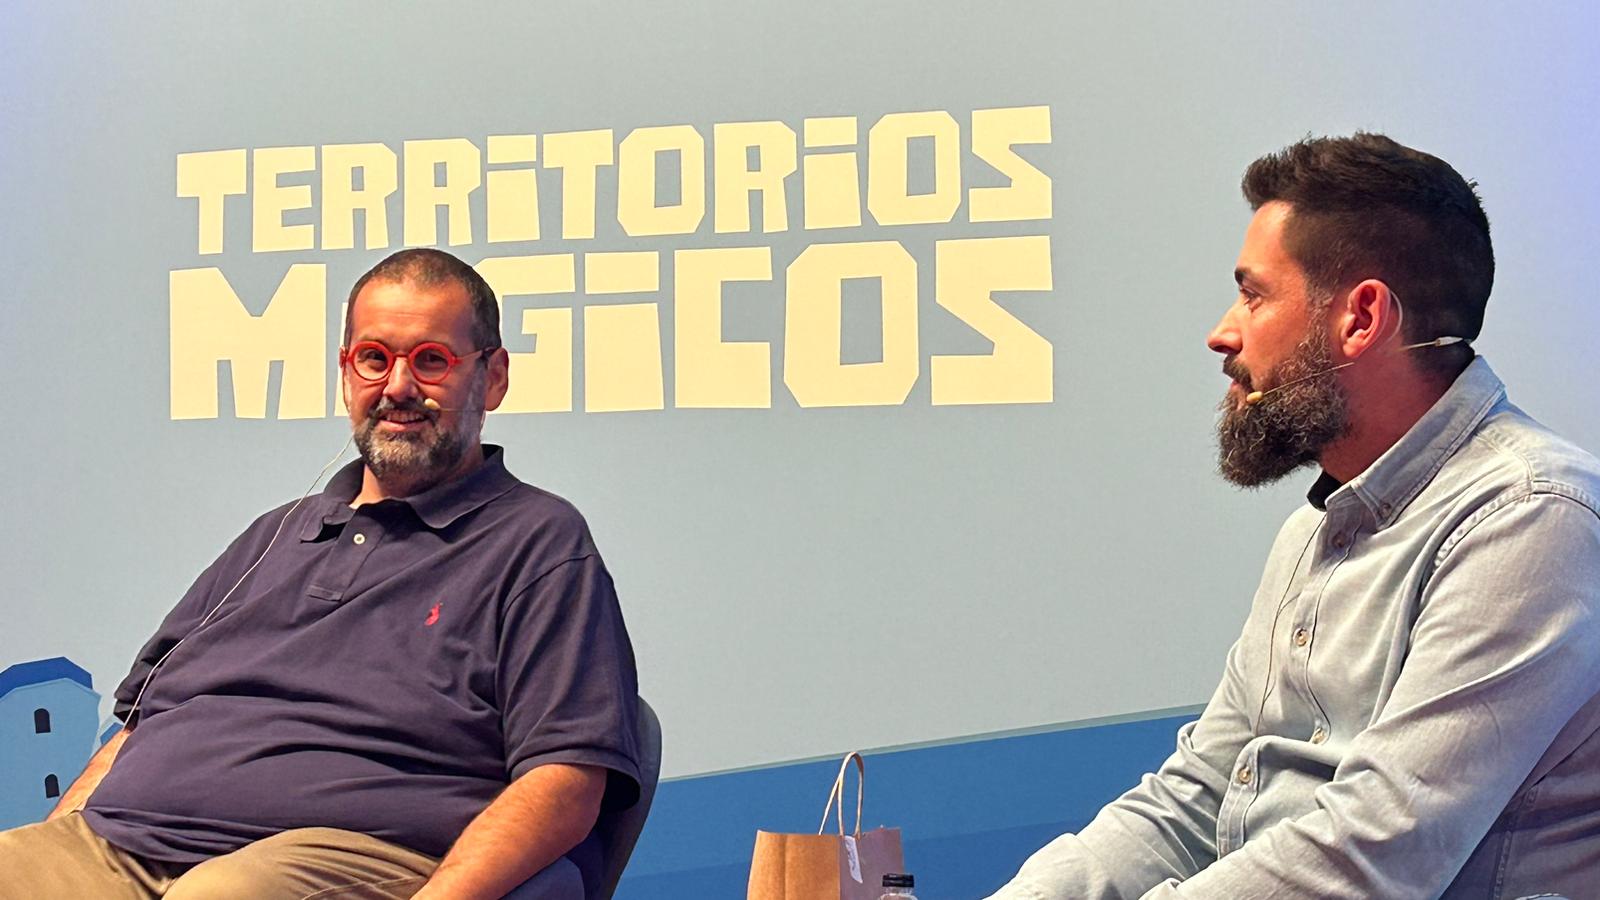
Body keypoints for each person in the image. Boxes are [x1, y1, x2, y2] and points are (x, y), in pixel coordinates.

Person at [987, 134, 1600, 898]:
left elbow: (1373, 853)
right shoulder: (1314, 532)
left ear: (1361, 317)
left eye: (1254, 294)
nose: (1223, 332)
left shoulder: (1532, 519)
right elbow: (1192, 803)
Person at [0, 248, 642, 899]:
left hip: (347, 860)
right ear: (346, 373)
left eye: (430, 360)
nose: (396, 387)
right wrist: (59, 846)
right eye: (374, 358)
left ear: (493, 377)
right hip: (128, 849)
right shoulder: (273, 534)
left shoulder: (537, 543)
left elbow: (565, 781)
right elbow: (139, 727)